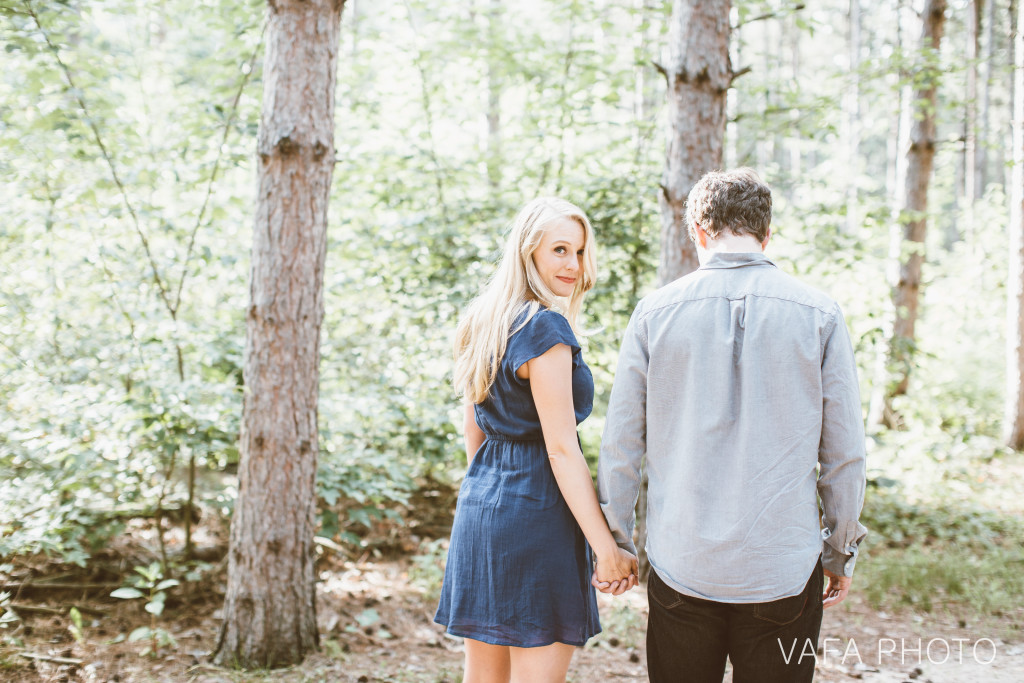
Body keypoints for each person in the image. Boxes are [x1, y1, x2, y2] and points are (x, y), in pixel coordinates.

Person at [595, 168, 867, 683]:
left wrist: (617, 543)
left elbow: (622, 444)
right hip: (782, 567)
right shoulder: (821, 315)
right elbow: (845, 453)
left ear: (698, 231)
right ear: (767, 236)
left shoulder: (654, 313)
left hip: (683, 563)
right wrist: (840, 549)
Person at [435, 197, 639, 683]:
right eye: (560, 250)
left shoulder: (482, 320)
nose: (573, 264)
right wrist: (605, 547)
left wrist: (492, 499)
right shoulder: (544, 327)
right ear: (529, 253)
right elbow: (561, 449)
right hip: (538, 515)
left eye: (579, 251)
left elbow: (474, 431)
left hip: (481, 510)